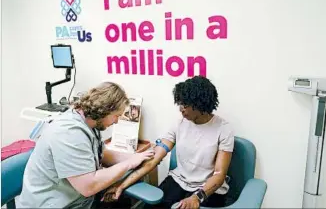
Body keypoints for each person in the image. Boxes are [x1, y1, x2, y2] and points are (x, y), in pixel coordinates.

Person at [102, 76, 234, 209]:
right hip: (179, 181)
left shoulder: (223, 129)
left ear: (200, 104)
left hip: (208, 188)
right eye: (180, 104)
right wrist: (121, 185)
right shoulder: (179, 124)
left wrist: (196, 197)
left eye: (185, 105)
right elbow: (153, 160)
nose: (181, 109)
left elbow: (219, 174)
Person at [17, 82, 154, 208]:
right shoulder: (69, 133)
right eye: (116, 115)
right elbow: (88, 187)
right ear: (105, 110)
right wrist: (128, 164)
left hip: (79, 198)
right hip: (55, 204)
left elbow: (100, 153)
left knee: (121, 201)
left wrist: (133, 158)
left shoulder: (89, 122)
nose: (117, 121)